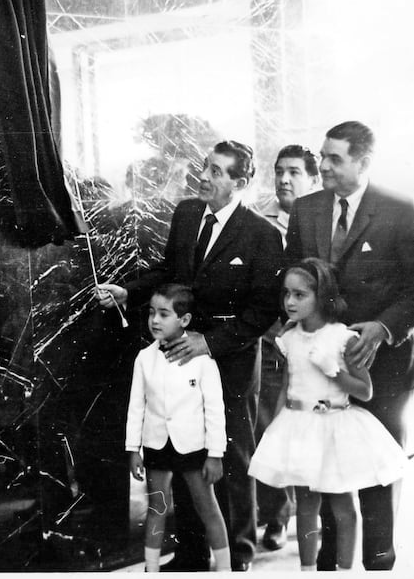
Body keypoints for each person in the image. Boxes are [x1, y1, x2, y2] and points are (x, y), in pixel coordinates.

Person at [97, 140, 284, 571]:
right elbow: (170, 273)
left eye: (217, 172)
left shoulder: (262, 234)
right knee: (185, 450)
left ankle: (236, 554)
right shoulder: (185, 214)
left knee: (230, 457)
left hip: (231, 360)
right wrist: (129, 291)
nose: (205, 176)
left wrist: (211, 342)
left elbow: (262, 309)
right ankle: (193, 553)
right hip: (180, 358)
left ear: (241, 182)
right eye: (206, 167)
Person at [285, 121, 414, 570]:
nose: (323, 166)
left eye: (335, 159)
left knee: (376, 472)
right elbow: (294, 280)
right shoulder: (307, 209)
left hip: (381, 363)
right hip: (323, 367)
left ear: (363, 162)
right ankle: (332, 565)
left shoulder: (398, 208)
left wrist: (384, 327)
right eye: (322, 156)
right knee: (327, 469)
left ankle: (378, 561)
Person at [249, 258, 406, 570]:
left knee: (343, 504)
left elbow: (365, 391)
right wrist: (276, 429)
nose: (289, 302)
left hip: (335, 427)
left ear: (321, 297)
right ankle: (308, 570)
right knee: (306, 504)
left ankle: (344, 571)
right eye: (286, 294)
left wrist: (334, 371)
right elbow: (287, 386)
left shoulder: (341, 337)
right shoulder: (289, 338)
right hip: (300, 426)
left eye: (299, 295)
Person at [125, 284, 230, 572]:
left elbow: (215, 410)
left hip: (193, 445)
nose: (155, 321)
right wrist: (133, 449)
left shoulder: (203, 359)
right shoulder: (145, 358)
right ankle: (152, 569)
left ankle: (225, 570)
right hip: (156, 443)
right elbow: (137, 407)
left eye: (163, 314)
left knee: (207, 507)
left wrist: (215, 453)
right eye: (151, 313)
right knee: (156, 509)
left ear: (184, 320)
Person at [252, 145, 320, 550]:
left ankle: (318, 513)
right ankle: (276, 517)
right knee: (270, 430)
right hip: (272, 340)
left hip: (313, 343)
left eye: (294, 172)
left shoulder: (321, 221)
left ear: (311, 178)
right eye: (279, 171)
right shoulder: (259, 223)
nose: (284, 179)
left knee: (314, 428)